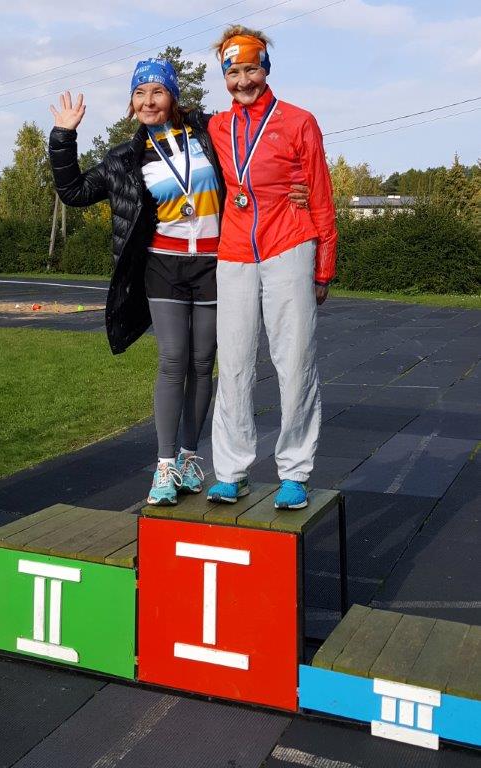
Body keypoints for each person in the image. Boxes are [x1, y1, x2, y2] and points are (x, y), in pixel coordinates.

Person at [48, 58, 309, 506]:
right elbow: (73, 191)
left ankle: (190, 458)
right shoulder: (124, 158)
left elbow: (255, 162)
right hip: (163, 267)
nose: (148, 101)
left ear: (172, 97)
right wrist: (63, 137)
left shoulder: (209, 134)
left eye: (157, 92)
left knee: (203, 363)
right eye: (140, 93)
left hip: (215, 264)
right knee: (173, 359)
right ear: (132, 103)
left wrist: (296, 185)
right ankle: (165, 465)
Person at [206, 26, 337, 510]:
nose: (243, 81)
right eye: (233, 72)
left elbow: (320, 195)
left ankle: (295, 472)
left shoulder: (299, 121)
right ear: (224, 76)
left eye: (251, 69)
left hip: (289, 245)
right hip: (235, 251)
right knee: (234, 363)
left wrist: (323, 267)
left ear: (265, 68)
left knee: (294, 360)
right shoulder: (216, 127)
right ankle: (232, 471)